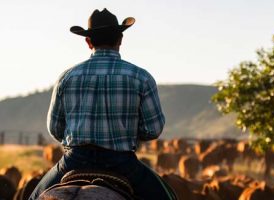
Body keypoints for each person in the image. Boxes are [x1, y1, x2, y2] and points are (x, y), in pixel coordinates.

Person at [29, 8, 176, 200]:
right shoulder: (141, 77)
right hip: (122, 162)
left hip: (75, 160)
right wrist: (128, 131)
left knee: (31, 197)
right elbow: (153, 129)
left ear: (88, 42)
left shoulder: (67, 78)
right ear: (120, 39)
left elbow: (55, 128)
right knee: (168, 197)